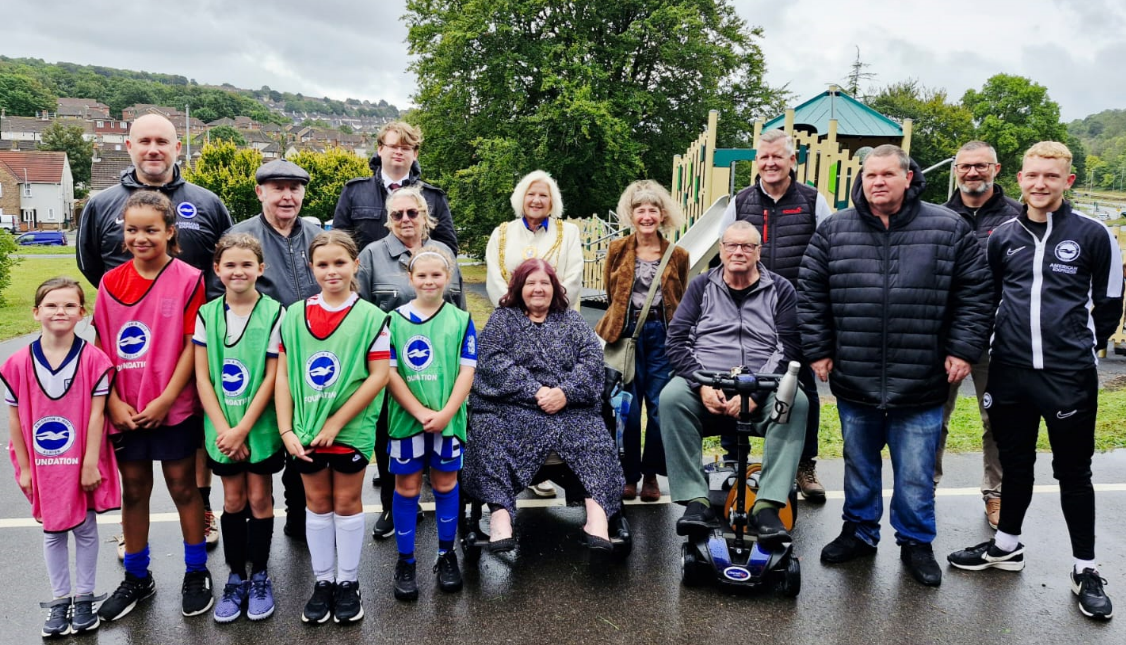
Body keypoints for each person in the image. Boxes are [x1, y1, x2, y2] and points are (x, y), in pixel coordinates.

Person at [799, 144, 993, 587]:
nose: (878, 182)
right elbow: (811, 294)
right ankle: (860, 533)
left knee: (915, 472)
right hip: (855, 375)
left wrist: (963, 350)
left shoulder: (948, 227)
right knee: (859, 464)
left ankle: (916, 542)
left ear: (909, 178)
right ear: (861, 180)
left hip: (922, 377)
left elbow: (976, 293)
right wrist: (819, 349)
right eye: (870, 176)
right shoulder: (834, 231)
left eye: (888, 174)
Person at [948, 141, 1122, 621]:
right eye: (1033, 176)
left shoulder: (1093, 234)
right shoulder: (1003, 235)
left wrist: (1078, 348)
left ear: (1067, 181)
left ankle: (1085, 568)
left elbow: (1108, 305)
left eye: (1051, 176)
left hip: (1069, 378)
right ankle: (1006, 546)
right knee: (1015, 465)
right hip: (1010, 372)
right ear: (1020, 179)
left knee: (1073, 474)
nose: (1040, 184)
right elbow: (988, 300)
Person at [77, 112, 233, 551]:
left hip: (188, 342)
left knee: (192, 444)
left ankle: (202, 513)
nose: (153, 149)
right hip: (129, 353)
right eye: (143, 140)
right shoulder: (101, 203)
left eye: (162, 141)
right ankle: (137, 555)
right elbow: (91, 263)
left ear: (177, 147)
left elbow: (225, 259)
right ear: (128, 146)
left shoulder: (206, 201)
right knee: (137, 482)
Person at [92, 191, 214, 620]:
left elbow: (190, 346)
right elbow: (103, 347)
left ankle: (196, 571)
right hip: (125, 407)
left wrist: (166, 399)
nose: (140, 237)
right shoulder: (110, 282)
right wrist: (114, 403)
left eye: (150, 230)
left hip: (172, 405)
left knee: (184, 487)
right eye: (132, 230)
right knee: (135, 490)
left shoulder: (189, 278)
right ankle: (137, 578)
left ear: (170, 232)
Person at [659, 221, 809, 542]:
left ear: (759, 251)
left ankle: (767, 505)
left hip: (762, 387)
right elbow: (677, 341)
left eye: (746, 246)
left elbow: (789, 346)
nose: (738, 251)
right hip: (707, 382)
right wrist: (702, 385)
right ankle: (696, 502)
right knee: (672, 397)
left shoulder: (781, 289)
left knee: (796, 401)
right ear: (721, 250)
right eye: (731, 245)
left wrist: (754, 392)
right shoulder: (700, 287)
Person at [464, 259, 624, 553]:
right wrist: (535, 389)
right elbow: (492, 362)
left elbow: (591, 363)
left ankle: (598, 520)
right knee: (488, 431)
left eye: (545, 283)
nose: (538, 289)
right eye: (530, 283)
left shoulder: (572, 321)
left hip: (568, 408)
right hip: (514, 406)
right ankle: (501, 518)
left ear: (555, 288)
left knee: (594, 436)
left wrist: (565, 392)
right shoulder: (503, 319)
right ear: (518, 288)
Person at [276, 230, 390, 625]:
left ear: (355, 265)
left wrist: (337, 421)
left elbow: (378, 376)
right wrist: (287, 430)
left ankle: (348, 582)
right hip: (305, 429)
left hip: (350, 429)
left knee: (346, 503)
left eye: (340, 263)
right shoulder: (292, 316)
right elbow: (284, 376)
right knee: (317, 505)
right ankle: (323, 581)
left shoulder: (372, 317)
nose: (331, 271)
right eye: (322, 264)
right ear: (312, 267)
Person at [718, 129, 833, 501]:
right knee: (739, 381)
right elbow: (723, 256)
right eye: (763, 157)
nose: (769, 163)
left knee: (802, 390)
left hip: (799, 312)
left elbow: (832, 255)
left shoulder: (814, 202)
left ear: (792, 161)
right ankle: (736, 458)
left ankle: (804, 464)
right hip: (747, 312)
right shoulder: (740, 202)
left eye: (777, 157)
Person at [1, 277, 120, 638]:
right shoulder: (17, 363)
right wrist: (23, 468)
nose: (60, 311)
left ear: (82, 313)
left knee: (84, 526)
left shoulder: (95, 360)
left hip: (82, 457)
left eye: (70, 305)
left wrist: (89, 463)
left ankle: (84, 598)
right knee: (53, 530)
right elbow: (15, 419)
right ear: (36, 312)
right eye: (52, 305)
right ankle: (59, 601)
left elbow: (97, 415)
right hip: (41, 462)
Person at [357, 184, 463, 539]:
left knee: (441, 439)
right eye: (397, 214)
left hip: (439, 368)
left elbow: (459, 307)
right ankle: (394, 504)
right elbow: (364, 312)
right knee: (391, 436)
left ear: (425, 218)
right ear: (388, 220)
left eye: (412, 213)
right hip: (390, 368)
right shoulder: (371, 255)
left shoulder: (443, 253)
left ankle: (447, 507)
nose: (405, 219)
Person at [225, 159, 321, 542]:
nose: (287, 195)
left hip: (307, 360)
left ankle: (299, 522)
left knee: (303, 443)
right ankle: (252, 537)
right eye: (277, 187)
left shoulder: (316, 234)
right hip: (256, 364)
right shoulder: (240, 236)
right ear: (259, 191)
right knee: (257, 452)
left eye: (294, 188)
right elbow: (223, 298)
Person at [193, 234, 285, 623]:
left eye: (247, 264)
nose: (238, 271)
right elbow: (202, 378)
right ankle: (235, 576)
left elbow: (271, 377)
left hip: (258, 427)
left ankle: (260, 574)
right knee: (232, 500)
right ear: (217, 270)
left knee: (260, 499)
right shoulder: (207, 314)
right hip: (221, 429)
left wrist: (243, 429)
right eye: (229, 264)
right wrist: (224, 430)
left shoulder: (276, 313)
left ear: (260, 269)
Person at [934, 141, 1022, 528]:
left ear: (996, 169)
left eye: (980, 167)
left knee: (998, 420)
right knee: (932, 417)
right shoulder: (936, 217)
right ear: (955, 170)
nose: (972, 173)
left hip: (999, 336)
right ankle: (924, 487)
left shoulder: (1018, 218)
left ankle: (996, 493)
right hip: (944, 337)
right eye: (965, 167)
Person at [384, 246, 476, 600]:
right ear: (410, 278)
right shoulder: (393, 321)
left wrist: (447, 412)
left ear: (448, 278)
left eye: (436, 274)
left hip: (448, 420)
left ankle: (445, 554)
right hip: (407, 421)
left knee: (445, 485)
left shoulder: (460, 320)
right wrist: (419, 412)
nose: (429, 280)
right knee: (406, 488)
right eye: (421, 275)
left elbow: (467, 370)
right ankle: (406, 560)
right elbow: (389, 373)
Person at [594, 180, 689, 503]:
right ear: (631, 215)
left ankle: (651, 475)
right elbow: (611, 294)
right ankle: (628, 474)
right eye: (640, 210)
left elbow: (680, 298)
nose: (647, 216)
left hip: (663, 336)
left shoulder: (678, 255)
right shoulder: (617, 249)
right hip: (626, 336)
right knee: (627, 409)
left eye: (653, 210)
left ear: (663, 215)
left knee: (663, 407)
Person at [333, 121, 458, 254]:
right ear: (380, 149)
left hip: (414, 272)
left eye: (405, 148)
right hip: (367, 273)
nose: (399, 152)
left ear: (415, 154)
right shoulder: (354, 191)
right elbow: (339, 243)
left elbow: (448, 248)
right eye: (393, 146)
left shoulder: (433, 198)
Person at [486, 170, 584, 314]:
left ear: (552, 201)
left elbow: (574, 277)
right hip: (511, 321)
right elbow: (494, 280)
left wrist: (544, 313)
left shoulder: (569, 233)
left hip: (556, 320)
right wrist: (518, 314)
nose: (536, 200)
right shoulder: (501, 233)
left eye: (543, 195)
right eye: (531, 194)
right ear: (521, 198)